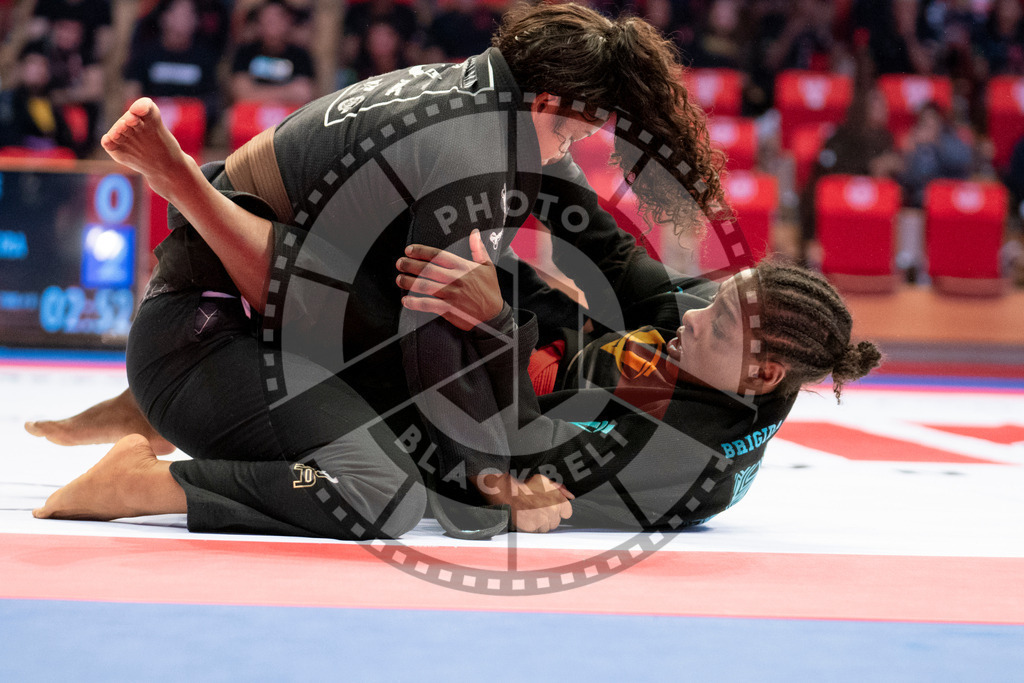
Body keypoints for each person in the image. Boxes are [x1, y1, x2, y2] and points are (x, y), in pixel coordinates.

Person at [30, 3, 852, 539]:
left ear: (764, 374)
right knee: (380, 486)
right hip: (213, 321)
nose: (692, 315)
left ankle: (178, 396)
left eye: (717, 322)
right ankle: (151, 474)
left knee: (447, 308)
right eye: (578, 131)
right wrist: (501, 334)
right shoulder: (477, 147)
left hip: (223, 321)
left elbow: (516, 450)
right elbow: (594, 271)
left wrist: (499, 330)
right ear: (548, 103)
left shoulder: (691, 465)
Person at [230, 0, 316, 106]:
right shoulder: (245, 52)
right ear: (258, 24)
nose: (272, 26)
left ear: (288, 22)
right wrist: (288, 92)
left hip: (290, 113)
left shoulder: (300, 55)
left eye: (277, 20)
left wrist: (256, 92)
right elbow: (240, 93)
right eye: (267, 20)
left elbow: (305, 93)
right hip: (253, 112)